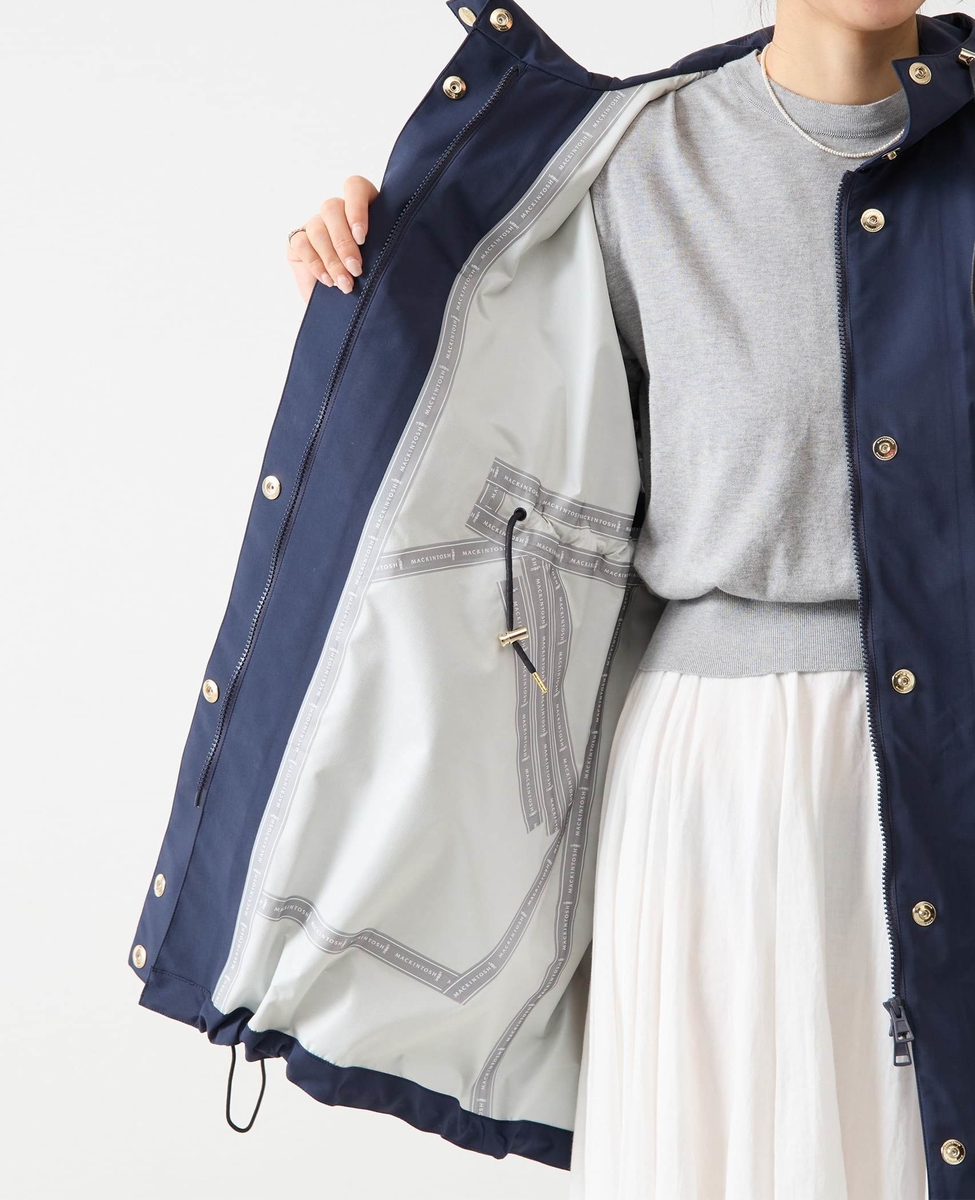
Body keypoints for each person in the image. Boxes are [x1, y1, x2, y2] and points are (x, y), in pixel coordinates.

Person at [283, 2, 937, 1196]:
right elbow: (488, 416)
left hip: (950, 746)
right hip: (717, 785)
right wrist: (379, 273)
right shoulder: (632, 158)